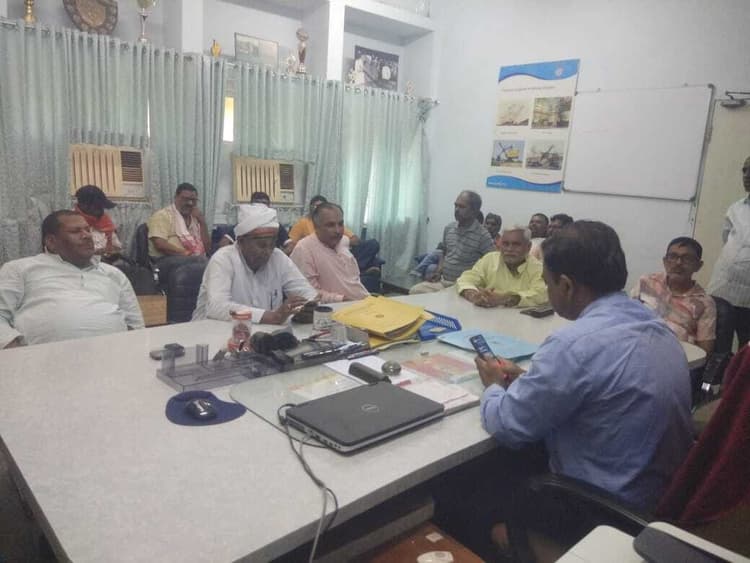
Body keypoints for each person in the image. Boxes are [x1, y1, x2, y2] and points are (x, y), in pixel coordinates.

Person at [477, 221, 692, 513]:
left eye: (547, 283)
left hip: (598, 510)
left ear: (566, 286)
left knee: (471, 487)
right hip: (658, 499)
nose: (547, 289)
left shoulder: (572, 345)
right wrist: (530, 379)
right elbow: (600, 387)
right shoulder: (658, 328)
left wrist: (493, 385)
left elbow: (508, 425)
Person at [0, 210, 144, 348]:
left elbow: (135, 325)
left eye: (87, 230)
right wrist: (18, 354)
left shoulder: (113, 274)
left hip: (114, 356)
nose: (87, 236)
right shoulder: (20, 269)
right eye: (75, 231)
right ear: (51, 242)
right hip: (41, 360)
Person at [192, 204, 317, 324]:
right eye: (261, 245)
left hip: (262, 333)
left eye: (272, 244)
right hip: (211, 331)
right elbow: (216, 307)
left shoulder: (277, 257)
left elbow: (308, 294)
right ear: (241, 241)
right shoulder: (223, 259)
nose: (268, 251)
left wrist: (305, 309)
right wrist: (269, 316)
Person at [631, 237, 716, 354]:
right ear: (665, 261)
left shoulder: (705, 303)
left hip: (675, 356)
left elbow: (704, 351)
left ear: (698, 265)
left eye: (687, 259)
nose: (678, 263)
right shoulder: (646, 282)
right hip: (636, 348)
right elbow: (627, 317)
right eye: (673, 257)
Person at [409, 191, 495, 294]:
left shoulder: (483, 235)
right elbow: (445, 253)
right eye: (455, 205)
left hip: (464, 287)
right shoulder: (449, 228)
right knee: (415, 291)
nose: (456, 210)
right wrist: (438, 271)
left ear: (474, 211)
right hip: (443, 282)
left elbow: (492, 264)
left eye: (462, 207)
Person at [708, 155, 750, 349]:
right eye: (744, 170)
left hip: (747, 296)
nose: (747, 175)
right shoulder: (736, 208)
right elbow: (727, 239)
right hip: (722, 287)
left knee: (746, 350)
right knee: (718, 345)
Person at [290, 202, 369, 302]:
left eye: (340, 224)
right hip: (338, 307)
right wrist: (341, 299)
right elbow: (306, 292)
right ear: (316, 227)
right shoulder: (304, 249)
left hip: (365, 300)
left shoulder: (342, 241)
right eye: (330, 225)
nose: (337, 230)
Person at [456, 225, 547, 308]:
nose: (509, 249)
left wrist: (505, 299)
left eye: (516, 244)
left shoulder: (538, 268)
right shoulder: (490, 259)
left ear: (528, 247)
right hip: (486, 315)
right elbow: (465, 279)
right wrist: (474, 296)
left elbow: (541, 294)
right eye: (505, 244)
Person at [289, 195, 382, 273]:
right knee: (372, 261)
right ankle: (360, 270)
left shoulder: (335, 224)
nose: (317, 209)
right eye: (315, 206)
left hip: (339, 251)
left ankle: (358, 269)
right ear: (310, 208)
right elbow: (291, 244)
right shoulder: (302, 223)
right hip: (320, 255)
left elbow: (355, 239)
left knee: (373, 244)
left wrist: (339, 242)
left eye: (321, 206)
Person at [147, 183, 210, 280]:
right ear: (176, 198)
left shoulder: (195, 218)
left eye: (193, 200)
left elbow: (207, 248)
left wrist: (202, 222)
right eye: (185, 199)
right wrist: (186, 253)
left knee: (212, 262)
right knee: (202, 263)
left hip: (191, 258)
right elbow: (160, 244)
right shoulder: (162, 216)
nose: (190, 203)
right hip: (164, 259)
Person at [73, 185, 123, 261]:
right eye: (97, 207)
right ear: (83, 205)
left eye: (102, 207)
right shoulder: (71, 222)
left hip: (106, 264)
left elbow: (116, 246)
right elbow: (71, 251)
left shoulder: (105, 220)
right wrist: (94, 252)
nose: (101, 210)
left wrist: (111, 250)